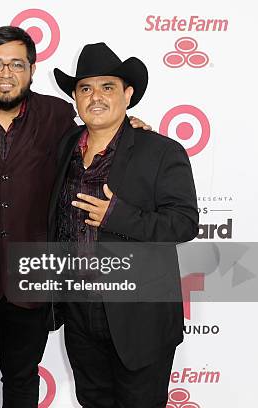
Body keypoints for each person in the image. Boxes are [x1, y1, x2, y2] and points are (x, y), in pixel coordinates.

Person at [0, 27, 150, 408]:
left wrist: (131, 126)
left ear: (33, 69)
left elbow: (100, 135)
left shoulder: (57, 116)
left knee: (22, 379)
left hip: (32, 276)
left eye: (17, 64)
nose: (6, 73)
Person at [48, 42, 198, 407]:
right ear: (75, 97)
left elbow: (184, 223)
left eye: (107, 87)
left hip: (139, 319)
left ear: (128, 95)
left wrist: (117, 215)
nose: (95, 96)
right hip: (79, 312)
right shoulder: (64, 146)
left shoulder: (161, 151)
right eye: (85, 88)